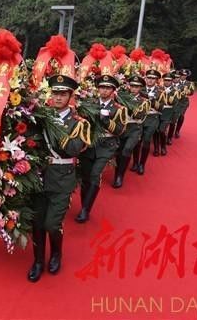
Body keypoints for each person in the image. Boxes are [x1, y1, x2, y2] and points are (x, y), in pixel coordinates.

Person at [28, 74, 87, 283]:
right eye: (55, 93)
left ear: (70, 96)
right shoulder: (42, 117)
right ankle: (37, 261)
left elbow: (73, 149)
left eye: (63, 94)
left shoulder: (79, 123)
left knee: (52, 224)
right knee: (36, 222)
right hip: (39, 177)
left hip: (62, 179)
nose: (58, 97)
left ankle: (56, 253)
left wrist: (54, 127)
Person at [75, 74, 127, 224]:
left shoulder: (119, 109)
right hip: (90, 144)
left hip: (107, 146)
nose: (104, 90)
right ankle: (86, 203)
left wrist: (106, 121)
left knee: (95, 175)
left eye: (107, 88)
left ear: (113, 90)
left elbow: (120, 131)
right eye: (102, 87)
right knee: (85, 177)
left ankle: (85, 210)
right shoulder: (89, 104)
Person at [112, 75, 149, 188]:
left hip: (134, 129)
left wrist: (125, 105)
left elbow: (138, 114)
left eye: (137, 87)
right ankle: (117, 173)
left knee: (127, 150)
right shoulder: (121, 97)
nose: (134, 89)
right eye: (132, 86)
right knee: (119, 152)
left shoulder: (144, 101)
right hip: (122, 127)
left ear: (140, 88)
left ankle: (120, 176)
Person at [130, 70, 163, 175]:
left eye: (153, 78)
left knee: (146, 141)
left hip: (151, 118)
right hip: (138, 119)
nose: (150, 80)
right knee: (136, 141)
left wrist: (151, 100)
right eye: (148, 77)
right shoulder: (139, 88)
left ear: (157, 80)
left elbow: (161, 107)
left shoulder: (160, 92)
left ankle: (142, 164)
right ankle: (135, 162)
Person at [157, 72, 179, 156]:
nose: (167, 82)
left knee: (162, 130)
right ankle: (156, 148)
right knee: (157, 131)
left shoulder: (175, 91)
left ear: (172, 81)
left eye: (169, 80)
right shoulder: (158, 88)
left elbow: (174, 102)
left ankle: (163, 147)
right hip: (158, 112)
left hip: (168, 113)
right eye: (165, 80)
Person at [174, 69, 195, 138]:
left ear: (186, 76)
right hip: (175, 102)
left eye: (184, 75)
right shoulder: (175, 81)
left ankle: (177, 130)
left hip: (183, 102)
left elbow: (192, 92)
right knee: (173, 117)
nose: (183, 76)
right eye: (182, 75)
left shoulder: (189, 83)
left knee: (181, 116)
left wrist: (188, 92)